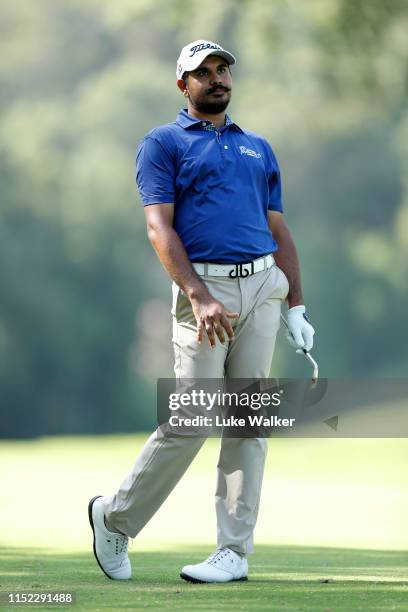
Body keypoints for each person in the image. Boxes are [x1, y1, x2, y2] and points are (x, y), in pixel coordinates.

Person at [88, 39, 315, 584]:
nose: (217, 79)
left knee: (249, 423)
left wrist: (297, 304)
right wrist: (197, 293)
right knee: (192, 419)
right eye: (204, 72)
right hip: (204, 292)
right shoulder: (162, 143)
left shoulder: (258, 147)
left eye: (223, 70)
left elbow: (278, 230)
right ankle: (114, 518)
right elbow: (159, 228)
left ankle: (233, 552)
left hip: (263, 286)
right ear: (182, 85)